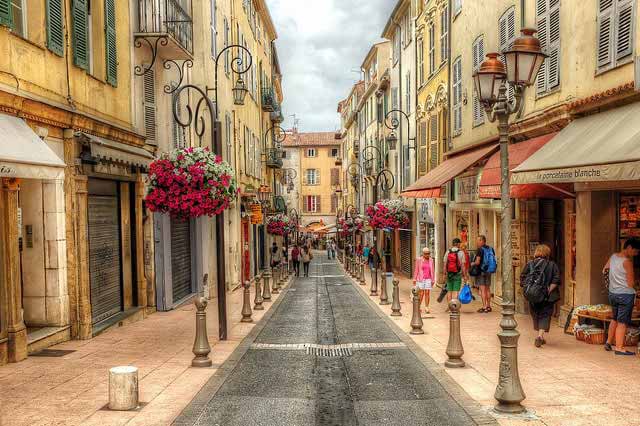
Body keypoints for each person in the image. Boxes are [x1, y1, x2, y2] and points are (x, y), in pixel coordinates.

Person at [603, 239, 640, 355]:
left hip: (613, 293)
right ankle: (619, 347)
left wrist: (612, 284)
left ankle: (608, 342)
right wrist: (636, 290)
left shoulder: (613, 257)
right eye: (635, 251)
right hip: (625, 295)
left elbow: (604, 270)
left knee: (615, 318)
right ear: (629, 247)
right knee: (622, 322)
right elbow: (630, 283)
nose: (636, 253)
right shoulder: (627, 262)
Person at [520, 244, 561, 348]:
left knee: (536, 314)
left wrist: (529, 288)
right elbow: (556, 279)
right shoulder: (552, 265)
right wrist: (548, 290)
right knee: (545, 314)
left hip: (532, 295)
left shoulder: (530, 264)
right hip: (546, 297)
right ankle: (539, 336)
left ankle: (540, 336)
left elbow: (522, 277)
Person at [473, 235, 496, 313]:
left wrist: (472, 263)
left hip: (481, 271)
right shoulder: (491, 249)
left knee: (482, 290)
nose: (477, 242)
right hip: (489, 271)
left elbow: (478, 262)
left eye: (478, 240)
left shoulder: (480, 250)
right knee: (488, 289)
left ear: (482, 241)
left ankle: (484, 307)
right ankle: (489, 306)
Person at [442, 238, 467, 307]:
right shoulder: (461, 253)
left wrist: (444, 274)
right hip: (457, 274)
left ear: (453, 244)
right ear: (458, 244)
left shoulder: (448, 252)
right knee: (456, 291)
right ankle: (455, 306)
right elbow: (463, 266)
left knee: (449, 291)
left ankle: (449, 307)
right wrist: (465, 276)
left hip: (449, 274)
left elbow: (445, 265)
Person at [413, 247, 435, 314]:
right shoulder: (419, 260)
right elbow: (416, 270)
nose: (427, 255)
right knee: (421, 293)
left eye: (428, 253)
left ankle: (426, 307)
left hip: (428, 279)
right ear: (423, 254)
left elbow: (433, 270)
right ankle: (418, 307)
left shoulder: (431, 260)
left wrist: (433, 280)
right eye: (426, 254)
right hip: (421, 279)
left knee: (427, 293)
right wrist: (414, 278)